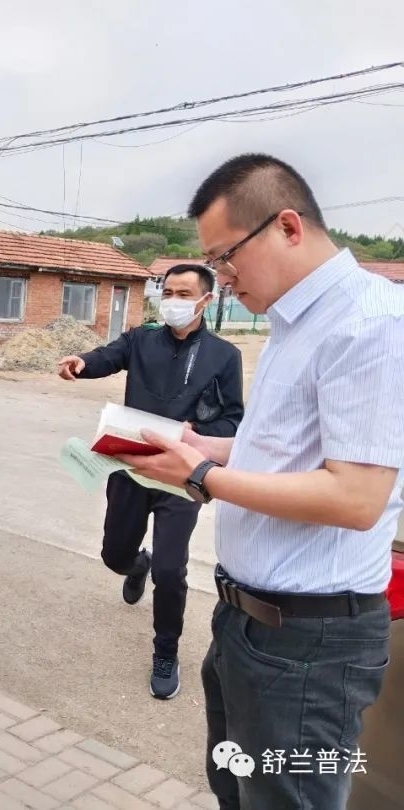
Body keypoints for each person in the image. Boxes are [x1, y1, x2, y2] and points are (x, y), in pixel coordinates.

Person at [119, 153, 404, 809]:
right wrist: (206, 446)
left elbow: (356, 497)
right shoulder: (291, 323)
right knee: (240, 790)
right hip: (248, 622)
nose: (220, 277)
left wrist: (199, 477)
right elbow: (284, 451)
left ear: (287, 227)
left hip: (309, 642)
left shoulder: (370, 323)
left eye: (224, 257)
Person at [57, 264, 244, 699]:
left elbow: (234, 417)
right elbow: (107, 355)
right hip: (132, 467)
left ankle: (166, 652)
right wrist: (82, 363)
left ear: (205, 301)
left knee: (171, 570)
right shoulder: (141, 340)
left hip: (181, 476)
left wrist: (198, 436)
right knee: (114, 554)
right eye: (169, 292)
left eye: (184, 293)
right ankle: (134, 565)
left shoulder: (223, 355)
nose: (174, 301)